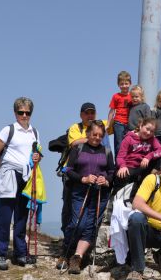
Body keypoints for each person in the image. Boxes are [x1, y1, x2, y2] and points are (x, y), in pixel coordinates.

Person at [0, 97, 42, 271]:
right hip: (10, 174)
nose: (24, 115)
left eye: (28, 112)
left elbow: (36, 153)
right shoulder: (8, 130)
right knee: (5, 215)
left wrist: (37, 158)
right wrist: (2, 172)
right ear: (15, 113)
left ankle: (20, 253)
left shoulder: (35, 132)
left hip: (26, 176)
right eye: (21, 112)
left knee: (22, 216)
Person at [57, 102, 110, 269]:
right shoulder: (78, 148)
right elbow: (68, 170)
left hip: (99, 192)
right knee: (76, 223)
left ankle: (77, 257)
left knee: (91, 225)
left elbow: (112, 171)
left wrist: (106, 179)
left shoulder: (106, 151)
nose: (97, 138)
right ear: (88, 133)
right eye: (94, 134)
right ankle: (66, 251)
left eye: (100, 135)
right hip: (79, 190)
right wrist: (83, 179)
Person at [115, 117, 161, 190]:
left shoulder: (152, 139)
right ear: (141, 125)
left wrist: (149, 156)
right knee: (121, 174)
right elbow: (120, 157)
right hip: (128, 168)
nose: (149, 133)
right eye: (147, 129)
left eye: (152, 131)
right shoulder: (128, 138)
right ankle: (115, 196)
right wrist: (122, 166)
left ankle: (153, 178)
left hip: (142, 168)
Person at [108, 70, 132, 158]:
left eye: (126, 83)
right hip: (118, 123)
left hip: (129, 123)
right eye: (122, 84)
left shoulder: (133, 96)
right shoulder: (116, 96)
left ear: (130, 83)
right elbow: (112, 111)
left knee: (130, 144)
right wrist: (108, 124)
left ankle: (127, 163)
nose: (124, 86)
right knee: (119, 144)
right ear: (118, 85)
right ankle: (118, 164)